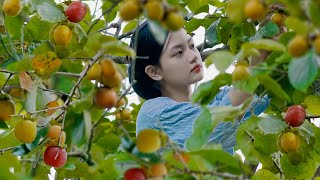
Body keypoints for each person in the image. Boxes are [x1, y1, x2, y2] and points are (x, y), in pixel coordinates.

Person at [128, 21, 269, 154]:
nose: (193, 56)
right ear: (155, 72)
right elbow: (214, 125)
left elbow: (260, 94)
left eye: (192, 45)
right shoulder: (152, 113)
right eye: (179, 53)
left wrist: (272, 26)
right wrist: (259, 58)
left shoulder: (211, 99)